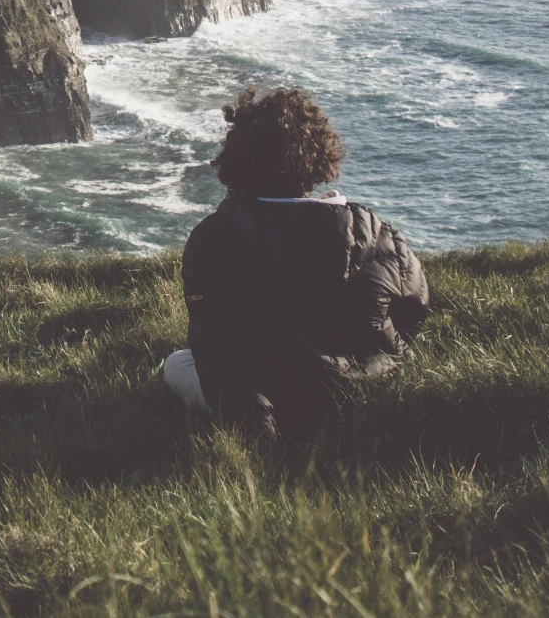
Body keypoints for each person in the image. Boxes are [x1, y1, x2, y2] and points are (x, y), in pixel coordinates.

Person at [162, 86, 429, 438]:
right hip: (358, 388)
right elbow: (414, 306)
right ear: (318, 158)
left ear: (237, 159)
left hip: (266, 405)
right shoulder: (374, 232)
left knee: (175, 364)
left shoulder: (213, 239)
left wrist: (256, 423)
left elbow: (213, 340)